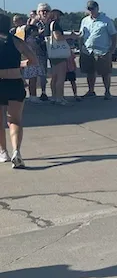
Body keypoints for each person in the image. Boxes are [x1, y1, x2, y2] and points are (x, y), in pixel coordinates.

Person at [0, 14, 39, 168]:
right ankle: (17, 151)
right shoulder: (16, 41)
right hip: (15, 82)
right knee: (14, 120)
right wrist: (20, 63)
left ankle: (3, 152)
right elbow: (33, 60)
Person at [79, 0, 117, 100]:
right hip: (87, 50)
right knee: (89, 72)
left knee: (105, 72)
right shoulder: (85, 20)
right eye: (89, 9)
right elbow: (81, 35)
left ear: (97, 8)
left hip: (102, 50)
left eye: (93, 8)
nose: (91, 11)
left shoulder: (106, 20)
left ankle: (107, 91)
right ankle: (91, 90)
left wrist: (112, 50)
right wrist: (80, 48)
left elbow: (113, 35)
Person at [43, 9, 69, 106]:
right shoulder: (55, 25)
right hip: (59, 54)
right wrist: (71, 36)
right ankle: (60, 98)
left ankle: (54, 96)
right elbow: (58, 37)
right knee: (60, 77)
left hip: (51, 53)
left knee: (54, 77)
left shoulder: (47, 25)